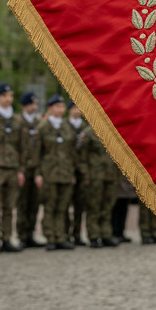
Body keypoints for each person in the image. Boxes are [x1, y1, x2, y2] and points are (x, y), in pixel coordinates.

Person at [0, 82, 24, 253]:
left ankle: (6, 238)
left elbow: (22, 147)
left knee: (9, 207)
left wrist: (21, 169)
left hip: (13, 168)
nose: (8, 99)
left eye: (10, 96)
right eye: (4, 96)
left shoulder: (17, 120)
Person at [36, 94, 77, 251]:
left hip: (66, 172)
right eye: (57, 106)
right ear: (50, 108)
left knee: (63, 207)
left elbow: (72, 152)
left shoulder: (67, 127)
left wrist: (72, 172)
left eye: (62, 106)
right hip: (49, 173)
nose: (61, 109)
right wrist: (38, 174)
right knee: (50, 206)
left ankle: (61, 236)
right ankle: (50, 237)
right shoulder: (43, 128)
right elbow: (37, 154)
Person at [80, 115, 121, 247]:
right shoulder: (88, 133)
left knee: (107, 206)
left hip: (111, 175)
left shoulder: (113, 132)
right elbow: (82, 157)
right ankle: (93, 236)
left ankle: (105, 234)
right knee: (94, 206)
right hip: (95, 176)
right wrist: (85, 175)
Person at [16, 91, 45, 248]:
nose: (34, 107)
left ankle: (30, 234)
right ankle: (22, 235)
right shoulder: (17, 122)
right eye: (31, 104)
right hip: (22, 168)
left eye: (35, 104)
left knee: (34, 203)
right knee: (22, 202)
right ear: (24, 105)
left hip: (35, 168)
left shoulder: (38, 123)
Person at [67, 102, 89, 245]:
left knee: (80, 205)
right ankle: (64, 234)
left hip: (82, 171)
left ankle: (77, 234)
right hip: (66, 171)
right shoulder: (63, 126)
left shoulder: (85, 128)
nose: (78, 111)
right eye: (75, 108)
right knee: (65, 204)